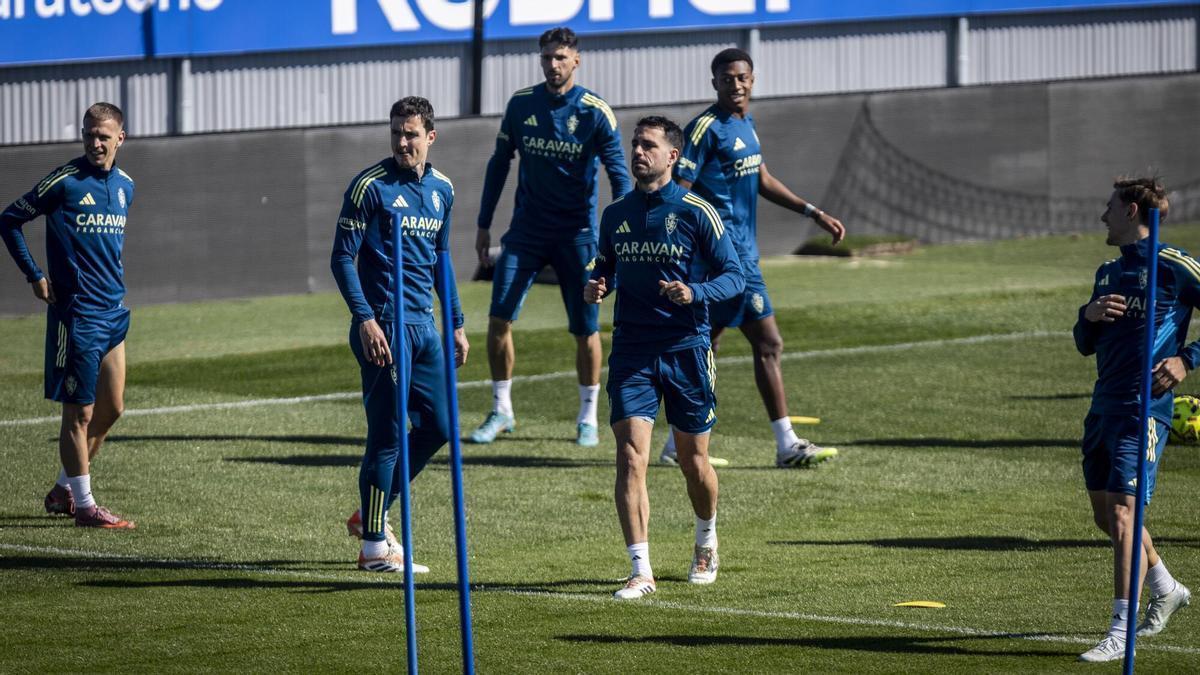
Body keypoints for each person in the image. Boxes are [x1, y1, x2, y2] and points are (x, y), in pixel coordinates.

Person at [662, 48, 846, 468]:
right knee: (767, 342)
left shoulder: (746, 123)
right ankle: (785, 445)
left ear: (752, 79)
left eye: (742, 77)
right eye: (727, 79)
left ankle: (677, 444)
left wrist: (812, 212)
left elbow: (761, 177)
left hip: (745, 256)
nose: (736, 84)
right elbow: (680, 190)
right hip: (723, 261)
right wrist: (686, 247)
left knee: (704, 347)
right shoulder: (705, 128)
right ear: (715, 83)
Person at [585, 116, 744, 599]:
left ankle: (706, 538)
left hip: (687, 349)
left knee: (694, 463)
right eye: (635, 144)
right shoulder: (615, 213)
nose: (638, 152)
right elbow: (603, 263)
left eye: (648, 145)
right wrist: (596, 282)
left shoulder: (698, 211)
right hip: (632, 349)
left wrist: (694, 292)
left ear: (672, 156)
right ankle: (641, 570)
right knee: (631, 457)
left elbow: (735, 276)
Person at [471, 26, 632, 448]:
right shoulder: (522, 104)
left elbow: (619, 173)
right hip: (525, 232)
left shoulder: (596, 111)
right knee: (498, 318)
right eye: (547, 58)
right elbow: (499, 162)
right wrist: (484, 222)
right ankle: (502, 409)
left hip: (577, 235)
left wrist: (626, 229)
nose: (553, 65)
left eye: (561, 57)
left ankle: (587, 417)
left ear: (576, 60)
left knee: (585, 329)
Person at [331, 97, 468, 573]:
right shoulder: (370, 186)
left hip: (425, 328)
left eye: (411, 134)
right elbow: (341, 258)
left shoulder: (443, 189)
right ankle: (373, 546)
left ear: (431, 136)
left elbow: (442, 260)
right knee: (387, 436)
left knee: (442, 427)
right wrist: (365, 319)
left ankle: (371, 511)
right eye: (396, 133)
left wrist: (456, 322)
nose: (402, 142)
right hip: (383, 328)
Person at [1073, 178, 1193, 662]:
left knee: (1125, 513)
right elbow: (1084, 344)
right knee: (1108, 517)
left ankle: (1120, 630)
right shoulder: (1106, 273)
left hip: (1145, 409)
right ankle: (1166, 585)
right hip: (1103, 406)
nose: (1102, 217)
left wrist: (1187, 360)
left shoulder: (1174, 267)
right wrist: (1090, 313)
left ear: (1130, 211)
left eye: (1108, 207)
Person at [1, 103, 136, 529]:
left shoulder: (127, 186)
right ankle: (85, 506)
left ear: (120, 138)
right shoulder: (65, 182)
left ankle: (64, 489)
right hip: (76, 316)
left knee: (112, 408)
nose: (95, 143)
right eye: (89, 135)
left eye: (103, 136)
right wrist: (35, 276)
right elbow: (8, 220)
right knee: (77, 414)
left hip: (113, 312)